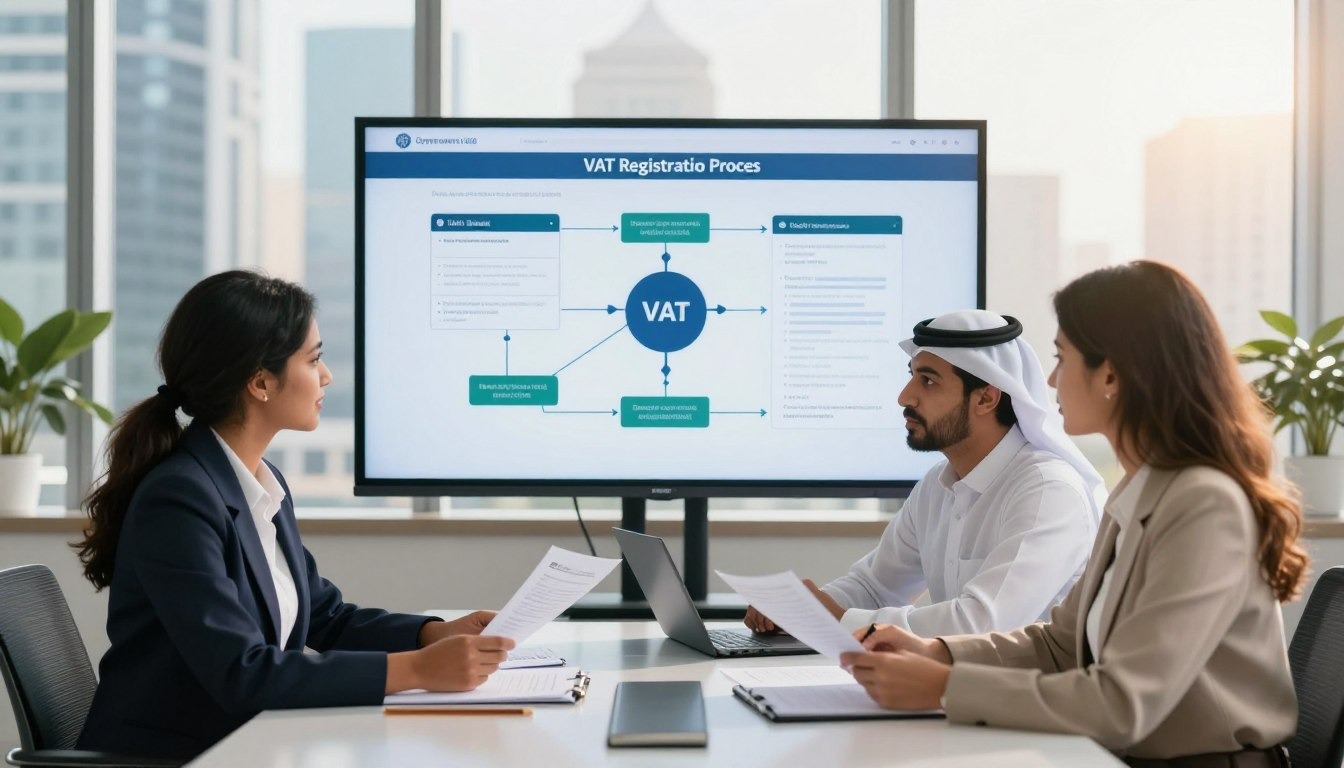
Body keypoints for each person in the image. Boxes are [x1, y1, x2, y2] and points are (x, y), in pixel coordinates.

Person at [844, 262, 1306, 767]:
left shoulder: (1203, 505)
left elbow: (1121, 702)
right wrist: (938, 653)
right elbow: (1062, 644)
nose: (1048, 379)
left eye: (1062, 358)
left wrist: (946, 686)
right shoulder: (1140, 487)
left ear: (1110, 373)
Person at [73, 271, 515, 761]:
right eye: (314, 359)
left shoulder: (260, 481)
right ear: (261, 382)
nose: (326, 377)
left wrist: (433, 633)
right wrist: (417, 669)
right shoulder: (179, 498)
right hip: (177, 757)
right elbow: (243, 672)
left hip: (245, 744)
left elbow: (324, 616)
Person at [746, 310, 1106, 637]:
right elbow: (875, 587)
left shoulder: (1047, 491)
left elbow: (981, 624)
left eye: (928, 382)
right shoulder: (937, 485)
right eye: (912, 377)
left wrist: (837, 619)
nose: (905, 397)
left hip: (1022, 699)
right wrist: (801, 608)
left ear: (986, 399)